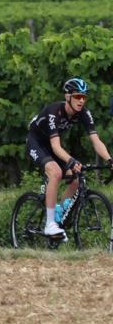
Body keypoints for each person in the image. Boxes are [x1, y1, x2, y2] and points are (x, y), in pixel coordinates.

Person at [26, 78, 112, 238]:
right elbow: (56, 146)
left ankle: (57, 212)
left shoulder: (84, 114)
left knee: (76, 178)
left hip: (53, 147)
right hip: (36, 142)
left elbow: (96, 140)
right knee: (55, 172)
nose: (81, 100)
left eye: (84, 97)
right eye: (77, 96)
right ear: (67, 97)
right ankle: (49, 224)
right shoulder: (54, 111)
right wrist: (71, 160)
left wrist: (109, 160)